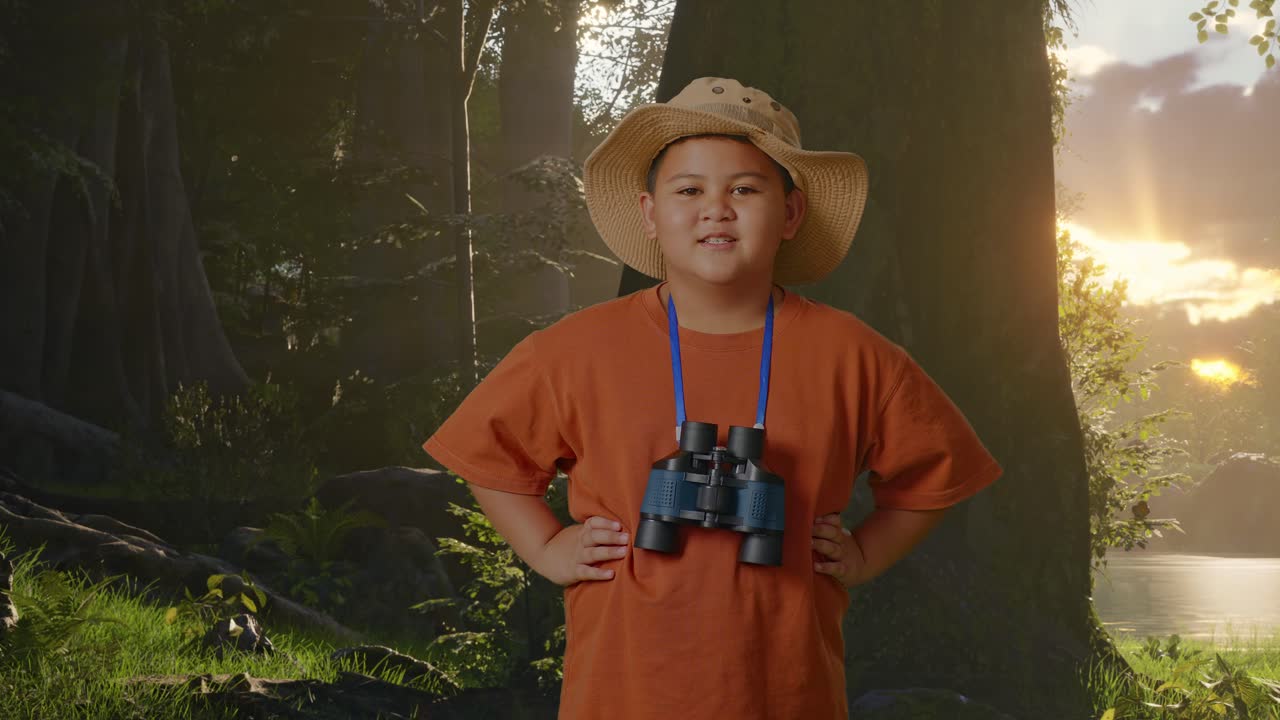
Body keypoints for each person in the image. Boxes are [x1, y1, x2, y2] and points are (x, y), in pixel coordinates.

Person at [422, 76, 1002, 720]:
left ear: (791, 214)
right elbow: (486, 454)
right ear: (650, 213)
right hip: (624, 689)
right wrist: (545, 547)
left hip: (786, 689)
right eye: (689, 189)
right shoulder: (576, 349)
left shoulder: (854, 355)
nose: (716, 209)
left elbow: (936, 474)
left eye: (746, 190)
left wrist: (863, 555)